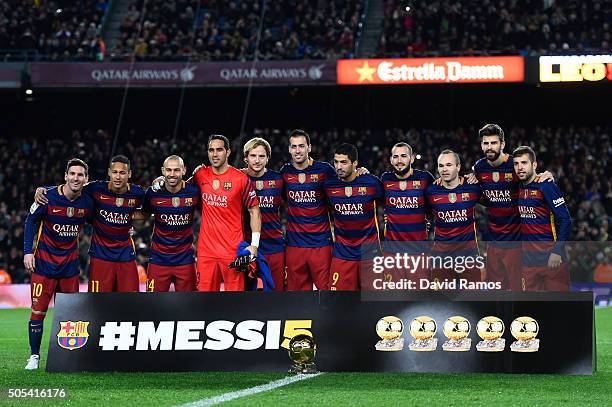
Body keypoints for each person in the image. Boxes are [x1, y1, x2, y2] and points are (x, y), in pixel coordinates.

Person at [36, 155, 145, 292]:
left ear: (129, 174)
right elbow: (72, 186)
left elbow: (152, 204)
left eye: (122, 173)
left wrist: (130, 216)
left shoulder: (138, 192)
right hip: (100, 255)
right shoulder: (95, 188)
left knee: (131, 302)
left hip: (126, 254)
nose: (118, 177)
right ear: (109, 172)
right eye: (115, 172)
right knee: (98, 304)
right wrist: (43, 189)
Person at [23, 159, 93, 369]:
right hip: (43, 266)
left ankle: (69, 357)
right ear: (65, 176)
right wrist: (28, 252)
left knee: (72, 316)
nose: (76, 178)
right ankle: (34, 356)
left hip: (70, 268)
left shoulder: (87, 202)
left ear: (86, 179)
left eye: (80, 175)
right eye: (72, 174)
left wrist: (127, 229)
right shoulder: (47, 197)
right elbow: (30, 222)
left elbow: (100, 220)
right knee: (38, 311)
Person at [472, 124, 553, 291]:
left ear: (502, 144)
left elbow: (532, 178)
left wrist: (546, 175)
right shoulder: (480, 167)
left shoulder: (514, 164)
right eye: (485, 143)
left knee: (518, 293)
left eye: (493, 143)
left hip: (516, 243)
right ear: (481, 145)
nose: (489, 147)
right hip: (493, 243)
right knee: (496, 293)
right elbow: (487, 197)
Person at [193, 134, 261, 291]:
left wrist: (254, 246)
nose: (215, 154)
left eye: (219, 150)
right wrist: (160, 181)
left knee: (234, 303)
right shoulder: (200, 175)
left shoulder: (240, 179)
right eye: (211, 150)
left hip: (232, 252)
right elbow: (181, 188)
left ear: (228, 152)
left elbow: (254, 211)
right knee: (204, 302)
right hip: (206, 252)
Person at [280, 129, 336, 291]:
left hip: (321, 244)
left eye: (301, 146)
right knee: (296, 297)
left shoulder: (324, 170)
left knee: (326, 294)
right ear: (289, 149)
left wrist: (360, 172)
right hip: (294, 245)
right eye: (294, 146)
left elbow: (343, 183)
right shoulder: (285, 172)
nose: (298, 150)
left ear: (309, 148)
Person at [324, 143, 382, 291]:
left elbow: (390, 203)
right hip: (342, 254)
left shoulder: (371, 182)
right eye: (336, 162)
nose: (338, 166)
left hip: (370, 254)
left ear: (355, 163)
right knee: (339, 303)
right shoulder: (329, 185)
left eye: (343, 162)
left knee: (375, 304)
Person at [513, 146, 571, 291]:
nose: (520, 167)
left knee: (559, 307)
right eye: (516, 163)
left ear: (534, 165)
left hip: (552, 259)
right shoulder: (516, 187)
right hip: (528, 262)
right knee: (531, 310)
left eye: (524, 163)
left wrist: (557, 251)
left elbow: (565, 219)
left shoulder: (546, 186)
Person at [141, 155, 200, 292]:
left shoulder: (194, 192)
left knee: (189, 304)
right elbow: (143, 214)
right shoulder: (153, 193)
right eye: (168, 170)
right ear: (163, 171)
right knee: (153, 304)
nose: (172, 174)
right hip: (158, 259)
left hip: (185, 259)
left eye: (176, 170)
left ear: (184, 170)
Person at [426, 150, 482, 284]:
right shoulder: (431, 191)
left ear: (458, 167)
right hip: (442, 255)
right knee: (442, 299)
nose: (444, 169)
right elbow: (419, 211)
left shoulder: (473, 187)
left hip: (469, 254)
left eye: (449, 165)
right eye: (441, 165)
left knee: (474, 299)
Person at [381, 142, 434, 283]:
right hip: (392, 252)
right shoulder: (385, 179)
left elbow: (439, 199)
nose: (399, 160)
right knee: (392, 299)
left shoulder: (425, 178)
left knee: (419, 298)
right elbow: (379, 202)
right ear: (391, 160)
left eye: (403, 156)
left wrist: (429, 221)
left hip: (418, 251)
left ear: (411, 158)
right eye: (396, 156)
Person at [243, 137, 286, 291]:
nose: (257, 160)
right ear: (245, 158)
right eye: (253, 156)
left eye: (261, 156)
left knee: (277, 292)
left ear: (268, 158)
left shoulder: (279, 179)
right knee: (247, 294)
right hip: (247, 247)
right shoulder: (238, 178)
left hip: (275, 246)